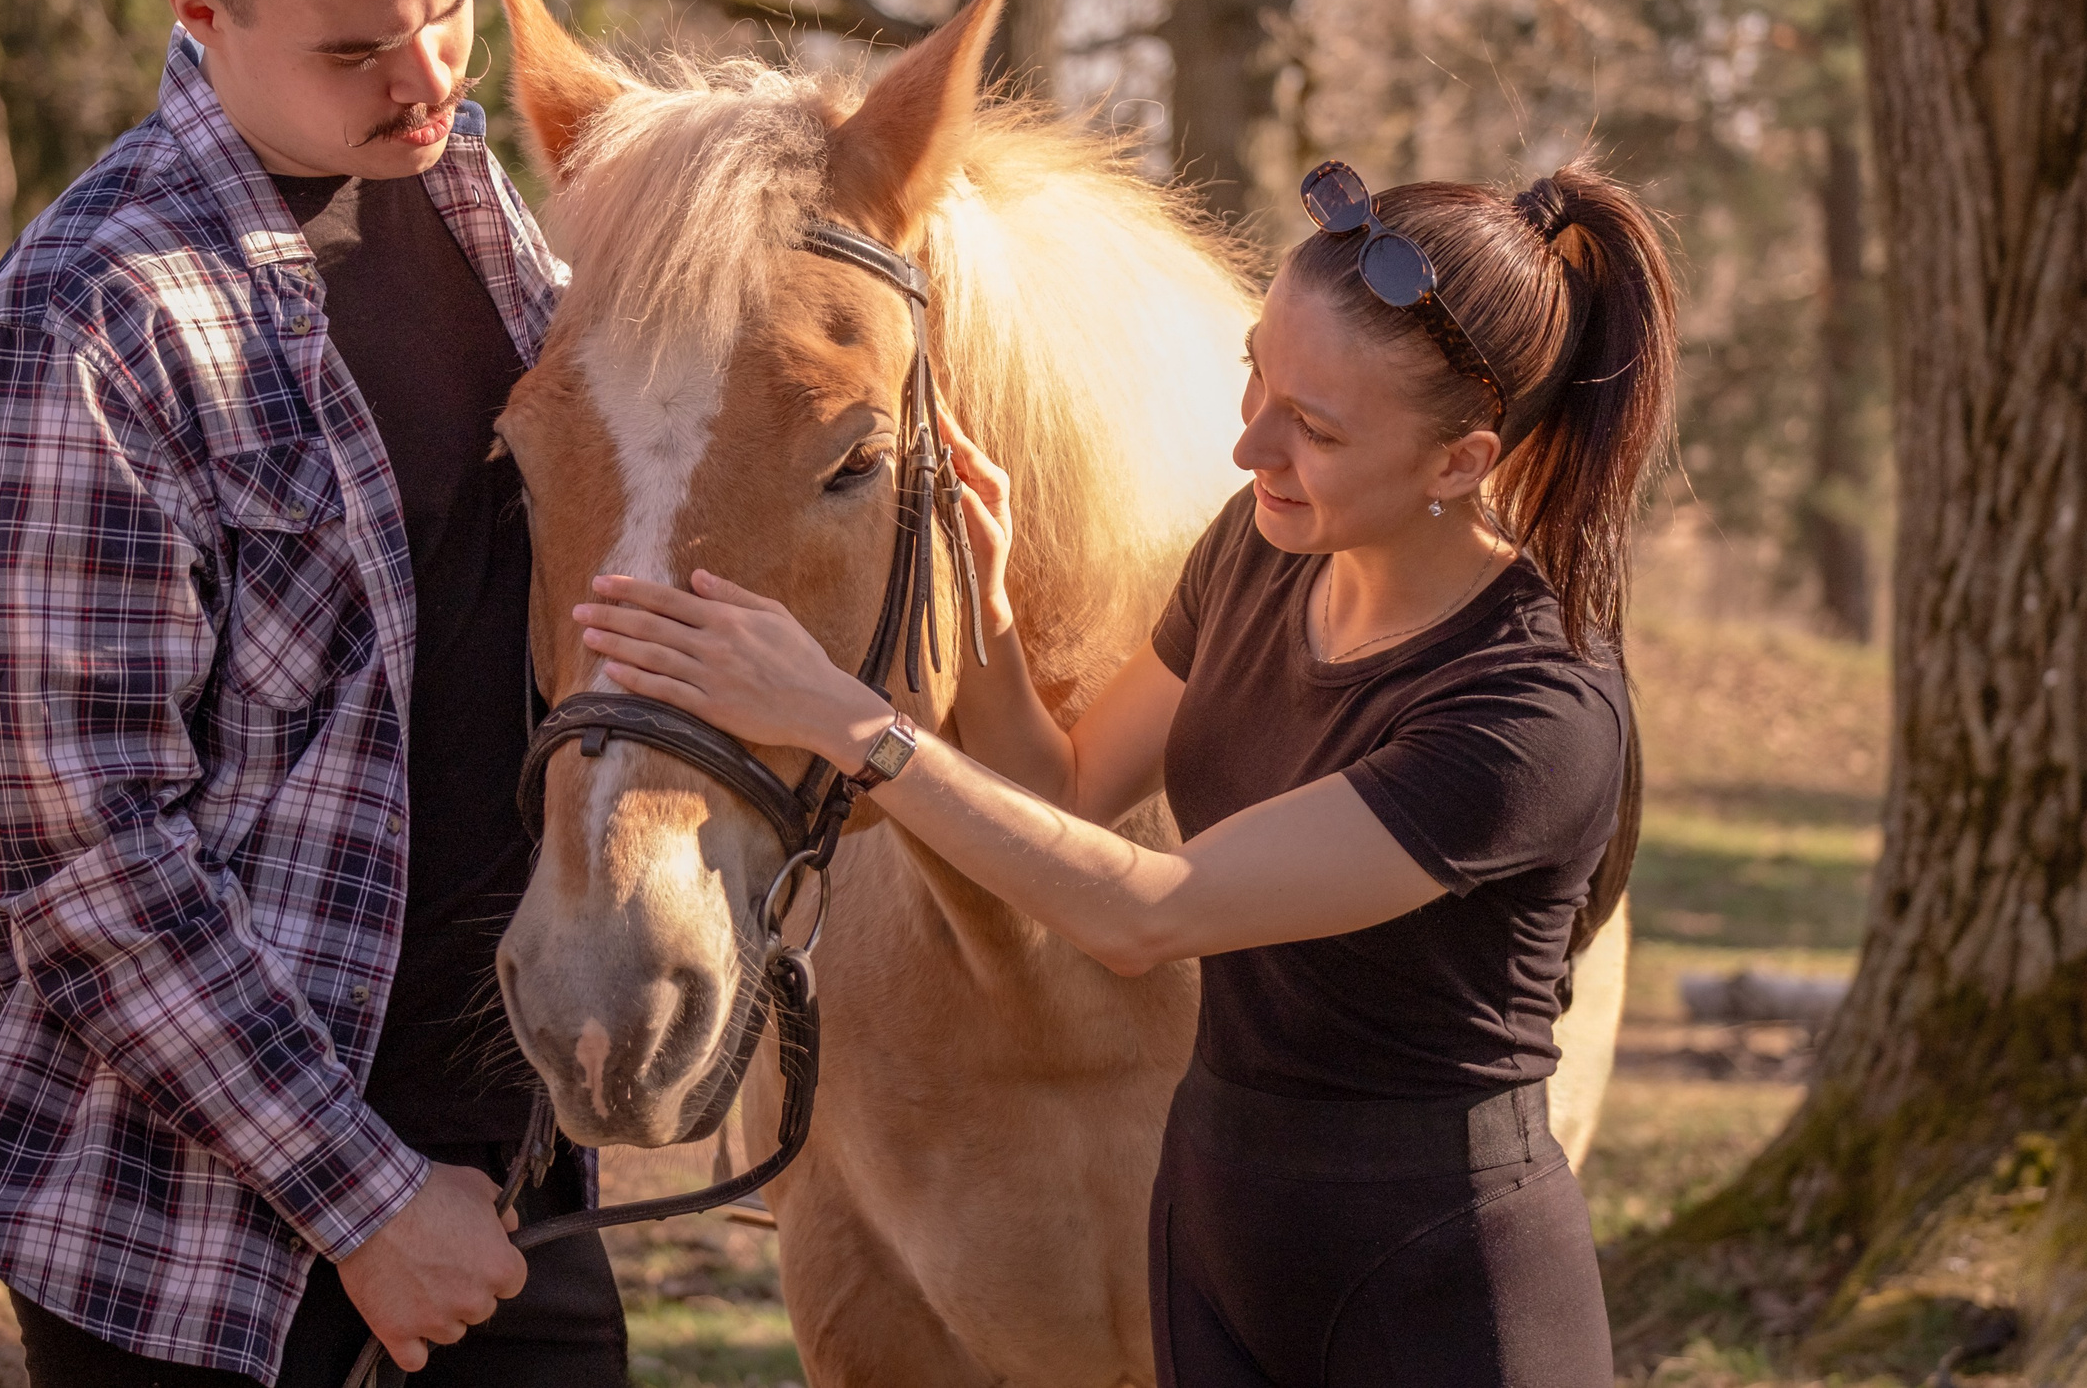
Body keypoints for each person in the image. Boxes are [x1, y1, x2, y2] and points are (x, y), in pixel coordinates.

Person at [575, 159, 1676, 1386]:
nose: (1251, 440)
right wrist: (982, 621)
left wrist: (847, 724)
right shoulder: (1267, 554)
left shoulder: (1529, 713)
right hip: (1218, 1234)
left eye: (1313, 427)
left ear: (1460, 464)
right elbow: (1069, 790)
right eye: (1259, 371)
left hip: (1423, 1283)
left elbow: (1146, 913)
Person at [0, 0, 628, 1388]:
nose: (429, 77)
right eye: (355, 49)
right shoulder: (90, 318)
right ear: (203, 11)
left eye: (451, 6)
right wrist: (364, 1201)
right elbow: (83, 852)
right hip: (208, 1246)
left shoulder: (481, 208)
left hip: (512, 1181)